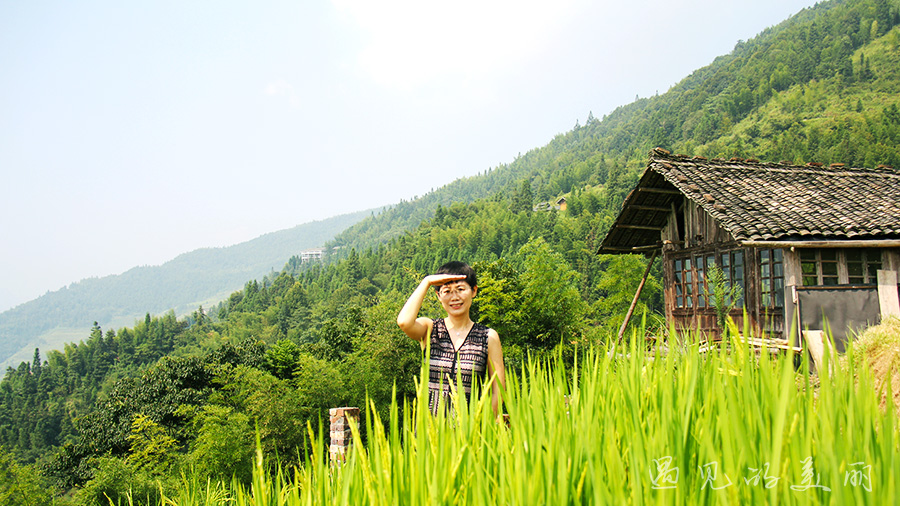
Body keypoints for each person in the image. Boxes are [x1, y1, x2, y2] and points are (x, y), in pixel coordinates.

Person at [397, 261, 506, 417]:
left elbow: (498, 391)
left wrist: (479, 426)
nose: (454, 297)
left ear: (474, 291)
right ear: (438, 296)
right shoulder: (431, 329)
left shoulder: (487, 337)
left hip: (470, 434)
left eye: (460, 289)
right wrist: (427, 281)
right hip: (428, 434)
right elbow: (404, 322)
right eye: (447, 291)